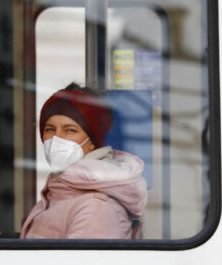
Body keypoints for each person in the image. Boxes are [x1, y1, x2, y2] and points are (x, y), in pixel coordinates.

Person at [21, 83, 147, 239]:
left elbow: (79, 263)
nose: (56, 138)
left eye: (70, 130)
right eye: (50, 129)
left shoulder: (97, 207)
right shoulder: (61, 188)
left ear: (93, 140)